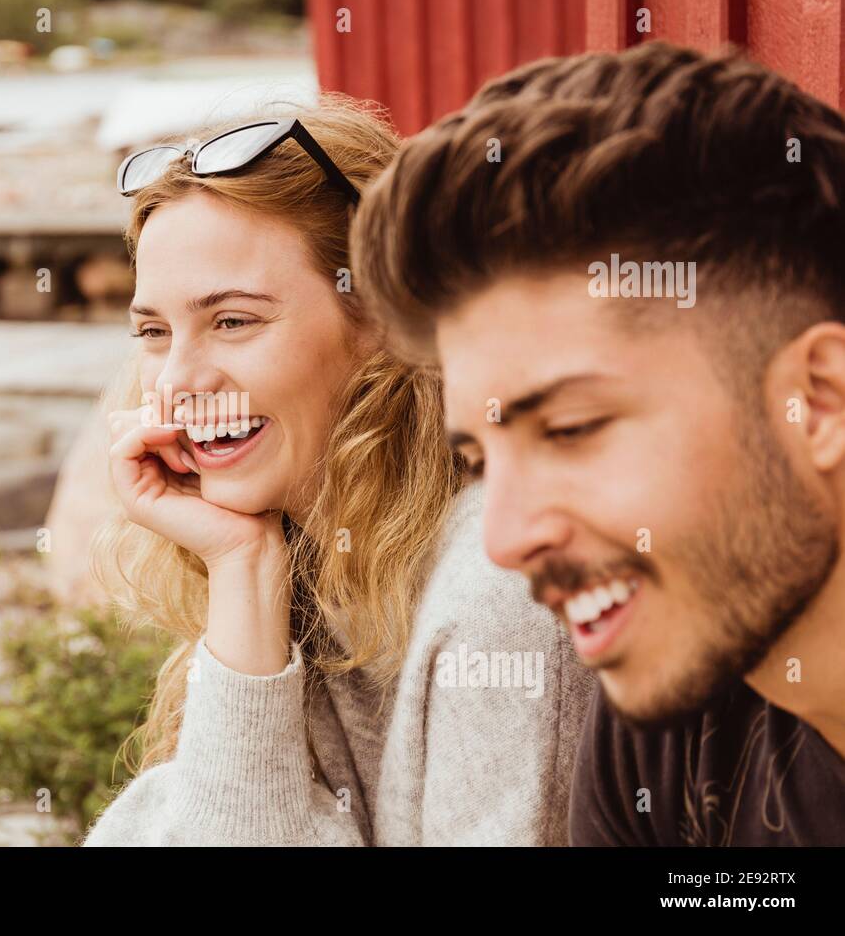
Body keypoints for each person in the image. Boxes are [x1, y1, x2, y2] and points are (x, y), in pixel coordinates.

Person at [352, 41, 845, 845]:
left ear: (816, 399)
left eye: (572, 430)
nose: (507, 541)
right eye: (477, 461)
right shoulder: (666, 719)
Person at [80, 97, 593, 846]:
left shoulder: (500, 581)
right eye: (154, 331)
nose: (176, 382)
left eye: (233, 321)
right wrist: (242, 564)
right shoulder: (302, 557)